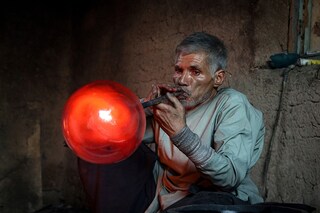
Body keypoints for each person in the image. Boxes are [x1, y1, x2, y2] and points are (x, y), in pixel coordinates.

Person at [78, 32, 265, 213]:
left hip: (207, 196)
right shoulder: (172, 106)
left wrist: (181, 134)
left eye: (195, 71)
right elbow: (123, 136)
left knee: (210, 203)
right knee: (100, 145)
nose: (183, 80)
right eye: (179, 70)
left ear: (218, 78)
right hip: (164, 193)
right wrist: (143, 108)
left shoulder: (231, 104)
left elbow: (229, 177)